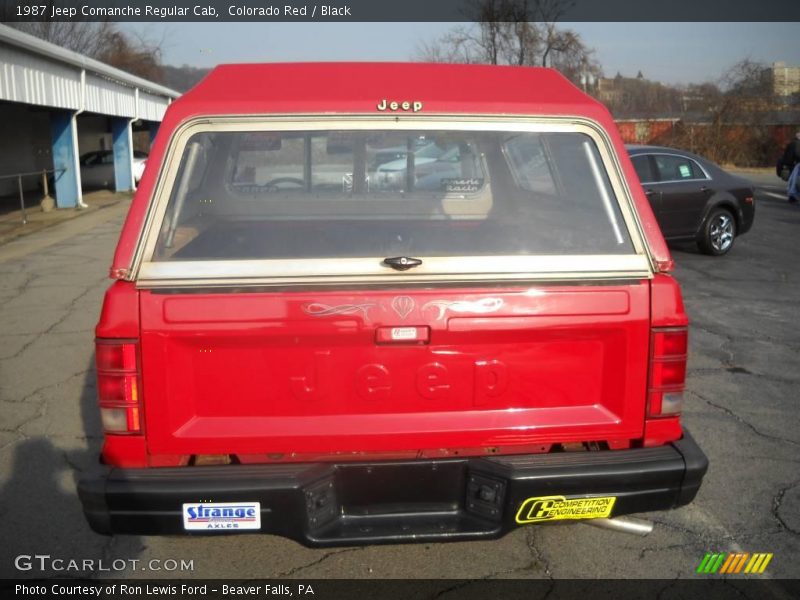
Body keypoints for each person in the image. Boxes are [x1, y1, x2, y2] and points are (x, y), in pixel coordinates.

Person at [778, 131, 800, 203]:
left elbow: (786, 154)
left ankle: (792, 196)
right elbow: (797, 154)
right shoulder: (797, 144)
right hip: (793, 164)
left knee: (792, 181)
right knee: (794, 181)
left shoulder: (791, 143)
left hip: (789, 164)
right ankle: (792, 196)